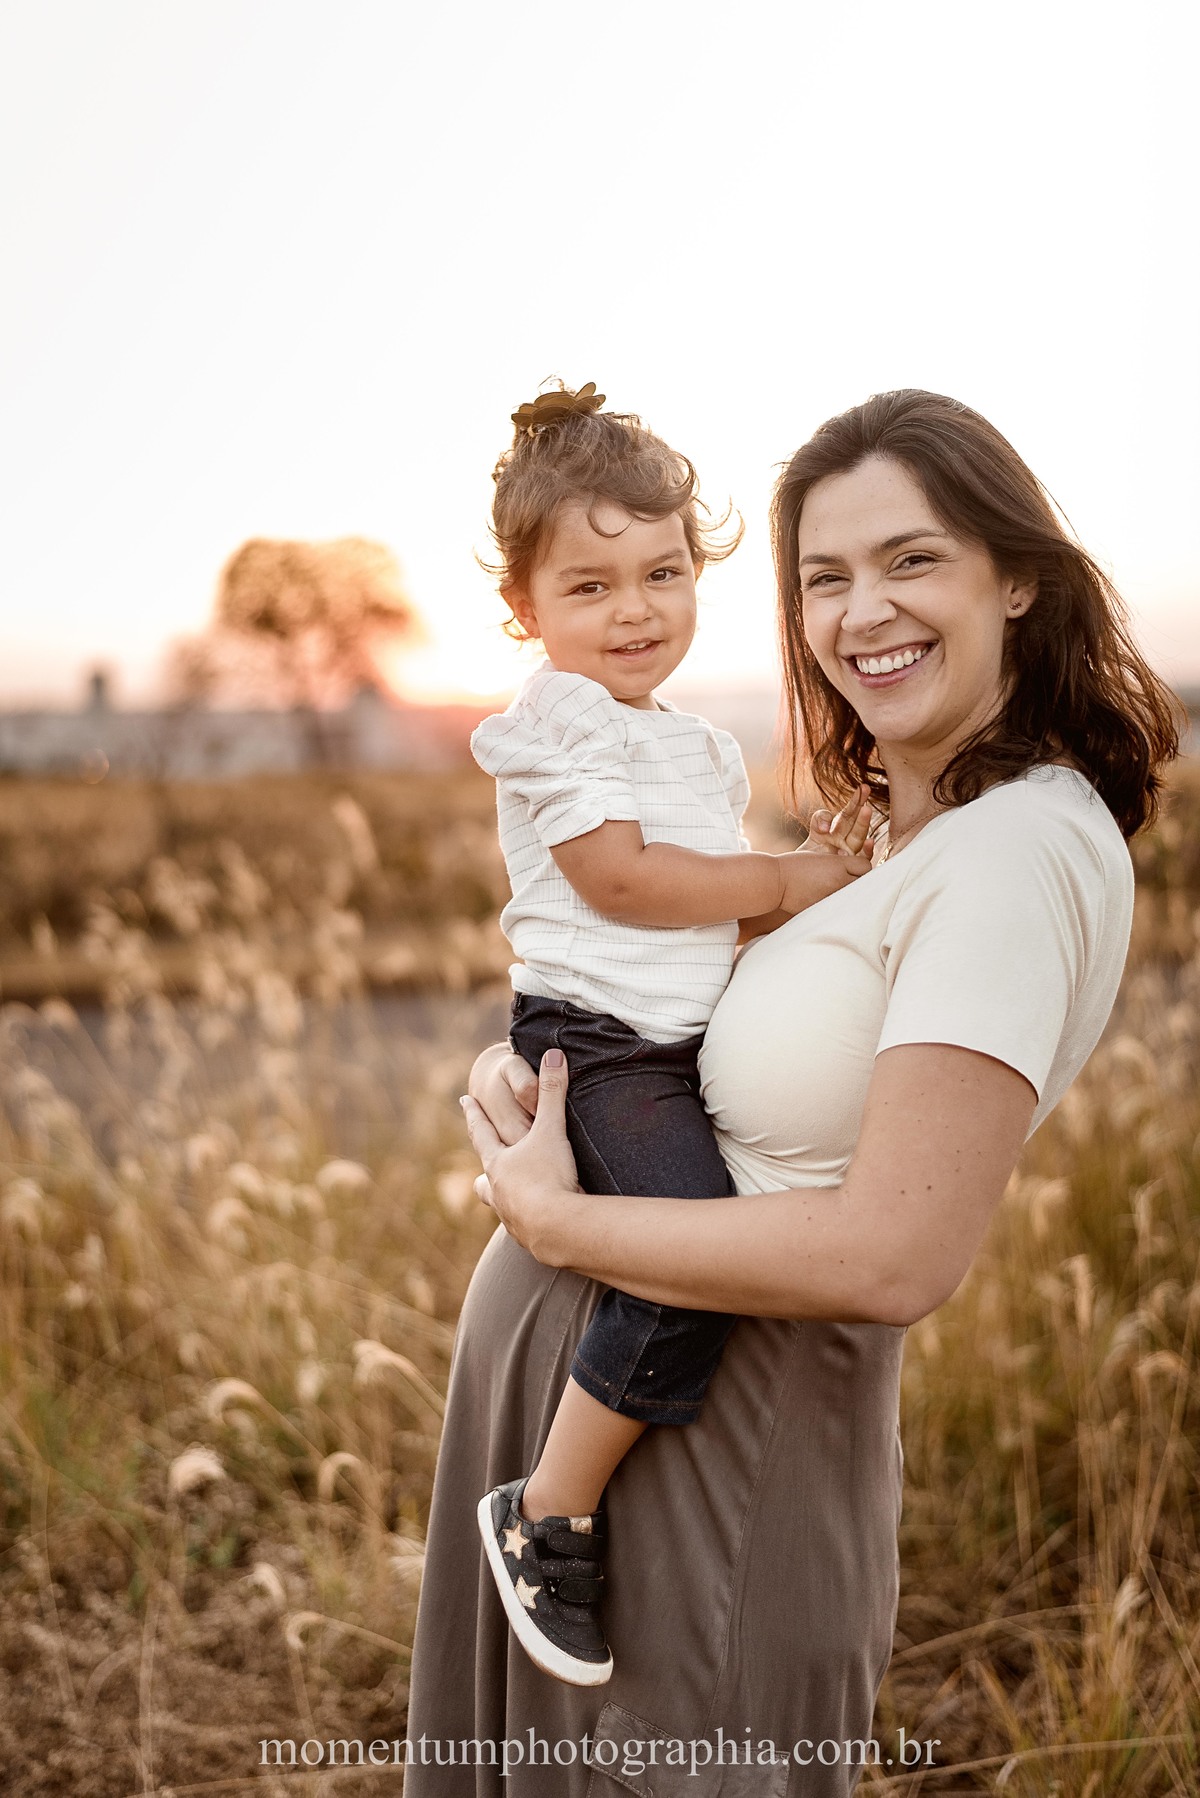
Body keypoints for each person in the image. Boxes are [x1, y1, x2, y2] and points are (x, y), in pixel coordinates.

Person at [406, 389, 1179, 1796]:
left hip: (726, 1465)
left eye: (911, 558)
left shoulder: (1013, 854)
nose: (861, 609)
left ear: (1017, 574)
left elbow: (892, 1253)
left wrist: (563, 1226)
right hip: (609, 1422)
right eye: (824, 577)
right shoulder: (901, 831)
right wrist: (540, 1080)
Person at [469, 382, 873, 1686]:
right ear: (526, 610)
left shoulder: (690, 739)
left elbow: (715, 911)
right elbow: (625, 882)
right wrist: (782, 885)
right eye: (589, 586)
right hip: (599, 1039)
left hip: (670, 1033)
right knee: (684, 1253)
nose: (635, 608)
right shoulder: (563, 722)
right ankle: (548, 1509)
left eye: (661, 571)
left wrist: (825, 880)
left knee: (728, 1223)